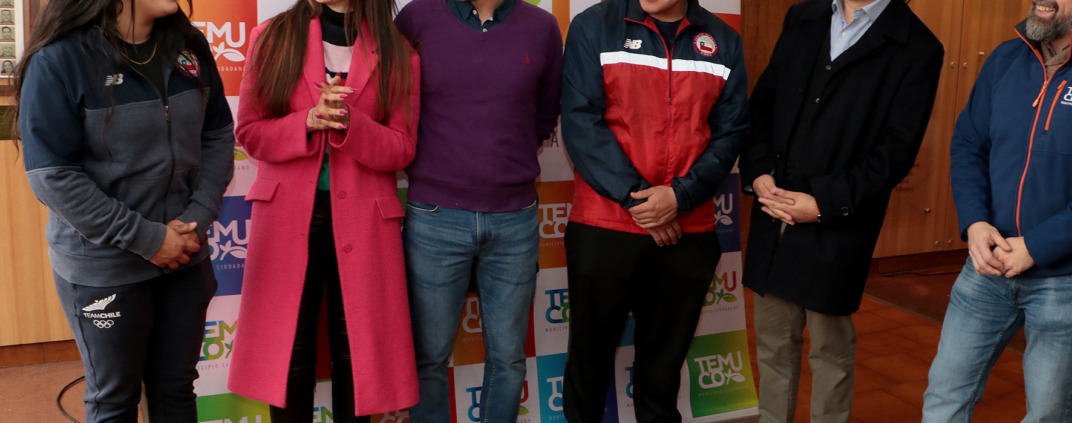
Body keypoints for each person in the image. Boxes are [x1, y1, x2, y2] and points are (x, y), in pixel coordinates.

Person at [921, 0, 1072, 421]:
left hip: (1070, 280)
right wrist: (975, 222)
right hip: (987, 267)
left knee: (1047, 415)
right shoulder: (1004, 59)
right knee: (945, 397)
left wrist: (1036, 246)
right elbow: (969, 145)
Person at [13, 0, 234, 420]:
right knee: (114, 399)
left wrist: (196, 218)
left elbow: (218, 136)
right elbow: (54, 176)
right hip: (105, 265)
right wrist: (149, 239)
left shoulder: (189, 45)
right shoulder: (59, 60)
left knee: (177, 389)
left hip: (185, 255)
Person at [739, 0, 943, 422]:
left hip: (838, 221)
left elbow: (895, 152)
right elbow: (763, 102)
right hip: (774, 207)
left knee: (829, 352)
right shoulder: (803, 16)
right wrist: (757, 171)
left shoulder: (917, 45)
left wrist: (823, 204)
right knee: (773, 344)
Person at [226, 0, 421, 420]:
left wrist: (353, 122)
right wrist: (308, 120)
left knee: (359, 351)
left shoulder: (397, 49)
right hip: (286, 217)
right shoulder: (272, 37)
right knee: (288, 349)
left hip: (367, 221)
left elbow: (403, 147)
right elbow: (250, 133)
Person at [559, 0, 749, 420]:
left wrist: (679, 198)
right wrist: (641, 200)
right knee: (588, 368)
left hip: (688, 230)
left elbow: (731, 133)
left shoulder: (724, 41)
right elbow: (580, 122)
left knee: (662, 377)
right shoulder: (594, 25)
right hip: (606, 226)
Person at [393, 0, 561, 421]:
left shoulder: (542, 26)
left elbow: (544, 115)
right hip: (434, 217)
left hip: (516, 217)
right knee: (427, 357)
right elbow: (393, 105)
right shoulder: (415, 18)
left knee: (509, 359)